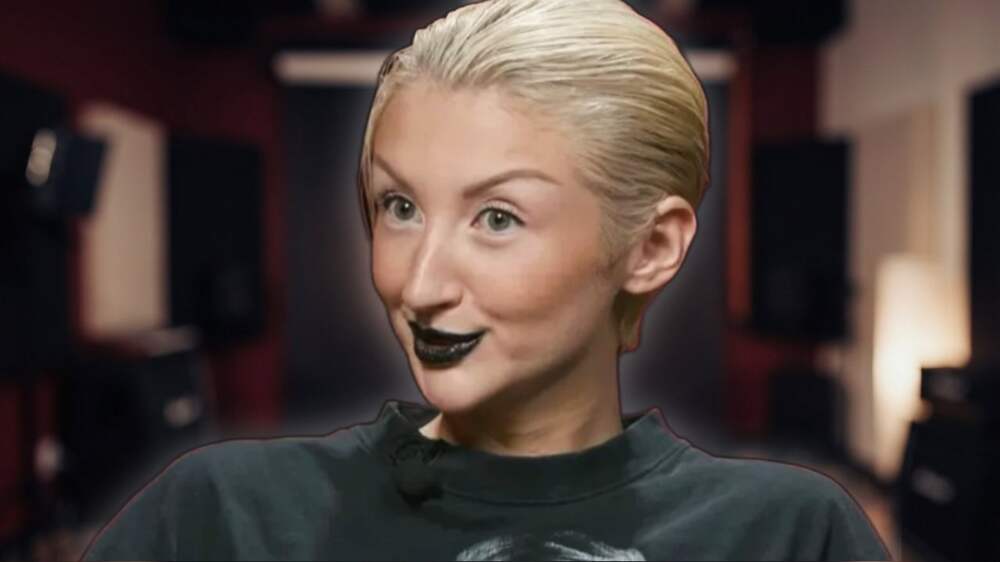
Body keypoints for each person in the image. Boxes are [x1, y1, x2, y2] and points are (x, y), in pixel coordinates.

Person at [82, 0, 892, 560]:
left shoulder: (791, 535)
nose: (420, 284)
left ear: (650, 246)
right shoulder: (223, 515)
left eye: (497, 218)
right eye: (400, 207)